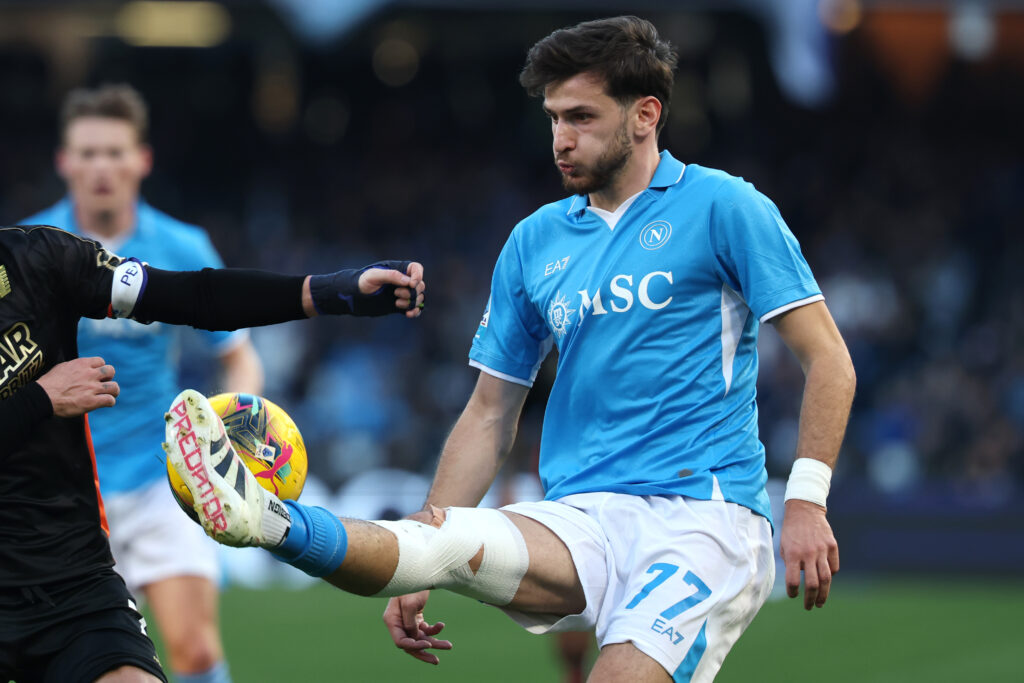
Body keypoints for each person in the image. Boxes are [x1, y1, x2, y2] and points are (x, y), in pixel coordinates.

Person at [164, 15, 855, 683]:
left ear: (646, 114)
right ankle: (269, 521)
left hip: (703, 519)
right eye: (554, 117)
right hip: (582, 515)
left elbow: (828, 357)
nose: (560, 137)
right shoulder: (534, 241)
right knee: (439, 538)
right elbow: (491, 411)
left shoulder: (725, 207)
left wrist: (807, 502)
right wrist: (421, 568)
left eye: (581, 117)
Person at [0, 221, 424, 683]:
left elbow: (192, 296)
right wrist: (40, 399)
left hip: (70, 576)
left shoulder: (33, 257)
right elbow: (40, 398)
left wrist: (334, 292)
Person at [21, 83, 263, 683]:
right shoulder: (27, 249)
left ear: (141, 160)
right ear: (65, 162)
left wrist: (243, 424)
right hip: (59, 489)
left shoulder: (181, 247)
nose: (102, 167)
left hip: (161, 480)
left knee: (195, 652)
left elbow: (238, 356)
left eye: (115, 152)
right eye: (88, 153)